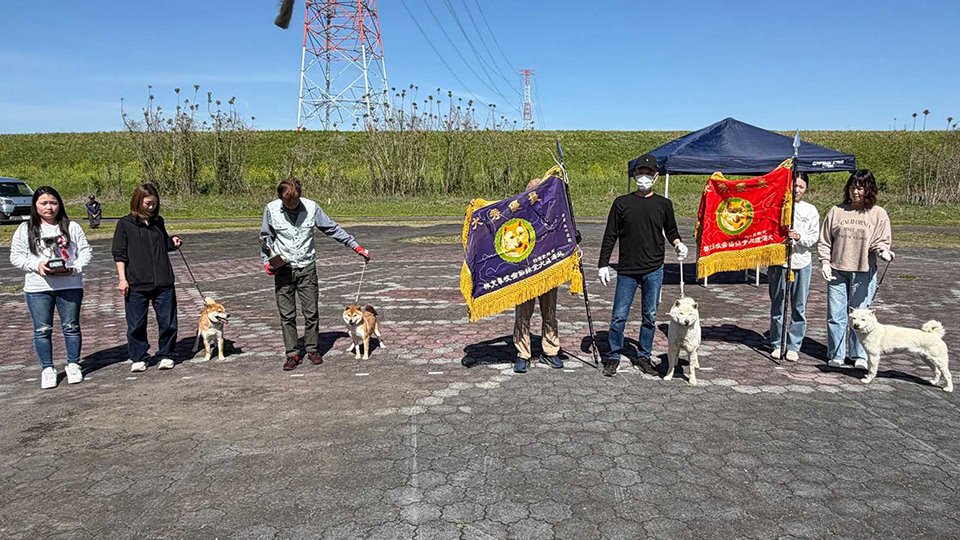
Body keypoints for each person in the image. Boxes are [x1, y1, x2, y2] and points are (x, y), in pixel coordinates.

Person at [259, 178, 371, 371]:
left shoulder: (312, 208)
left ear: (300, 196)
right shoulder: (271, 209)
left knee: (311, 313)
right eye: (288, 204)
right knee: (287, 315)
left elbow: (332, 229)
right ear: (280, 198)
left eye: (295, 202)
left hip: (307, 267)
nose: (293, 206)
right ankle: (292, 354)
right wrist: (266, 262)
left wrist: (356, 247)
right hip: (283, 269)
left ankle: (312, 349)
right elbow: (265, 238)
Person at [597, 154, 687, 377]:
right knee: (619, 315)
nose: (643, 177)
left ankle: (644, 356)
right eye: (640, 173)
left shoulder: (664, 205)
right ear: (634, 175)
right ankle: (614, 355)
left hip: (654, 268)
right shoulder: (621, 203)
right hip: (627, 269)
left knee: (650, 316)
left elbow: (671, 231)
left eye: (648, 173)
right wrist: (603, 264)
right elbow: (610, 235)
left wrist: (678, 244)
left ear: (656, 177)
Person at [10, 186, 92, 389]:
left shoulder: (72, 227)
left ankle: (73, 364)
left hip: (70, 284)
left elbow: (85, 252)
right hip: (38, 287)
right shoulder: (26, 229)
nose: (49, 207)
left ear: (60, 204)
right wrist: (36, 266)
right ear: (35, 205)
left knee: (71, 327)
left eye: (53, 203)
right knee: (42, 329)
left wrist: (74, 268)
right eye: (44, 203)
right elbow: (16, 256)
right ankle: (47, 368)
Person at [818, 169, 893, 370]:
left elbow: (881, 241)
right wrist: (825, 262)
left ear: (869, 190)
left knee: (861, 317)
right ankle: (836, 354)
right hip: (837, 270)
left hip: (863, 271)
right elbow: (825, 240)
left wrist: (883, 252)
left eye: (860, 188)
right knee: (836, 315)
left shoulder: (878, 214)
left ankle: (859, 354)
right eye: (852, 187)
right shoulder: (836, 211)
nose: (855, 192)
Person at [112, 183, 183, 372]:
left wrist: (173, 242)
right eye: (147, 203)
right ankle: (139, 356)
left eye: (154, 203)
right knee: (136, 323)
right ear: (138, 201)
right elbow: (119, 253)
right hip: (136, 282)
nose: (151, 207)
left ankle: (167, 353)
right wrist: (122, 278)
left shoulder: (158, 221)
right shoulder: (125, 224)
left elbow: (164, 243)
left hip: (163, 280)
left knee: (167, 321)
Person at [512, 177, 565, 373]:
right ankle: (523, 353)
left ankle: (550, 351)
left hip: (548, 271)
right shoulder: (517, 213)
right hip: (526, 271)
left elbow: (564, 235)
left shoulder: (553, 212)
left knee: (549, 312)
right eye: (532, 191)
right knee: (522, 315)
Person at [768, 173, 820, 361]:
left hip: (801, 263)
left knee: (799, 306)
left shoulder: (810, 210)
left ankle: (794, 345)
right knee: (778, 304)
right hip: (779, 262)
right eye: (794, 186)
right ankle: (776, 342)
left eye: (801, 187)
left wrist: (799, 237)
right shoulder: (776, 206)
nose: (797, 190)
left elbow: (814, 237)